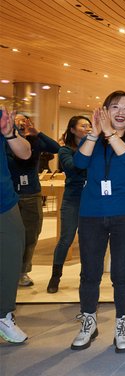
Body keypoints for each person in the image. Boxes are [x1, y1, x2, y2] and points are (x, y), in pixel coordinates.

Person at [70, 91, 125, 352]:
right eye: (115, 107)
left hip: (124, 214)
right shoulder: (95, 139)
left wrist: (110, 134)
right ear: (104, 111)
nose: (120, 112)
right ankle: (88, 322)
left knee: (121, 274)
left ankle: (122, 325)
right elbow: (79, 162)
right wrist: (94, 132)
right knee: (89, 272)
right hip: (91, 213)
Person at [5, 113, 59, 287]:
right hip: (9, 194)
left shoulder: (35, 141)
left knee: (31, 234)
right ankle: (7, 272)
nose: (21, 122)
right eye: (17, 119)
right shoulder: (5, 139)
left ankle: (23, 272)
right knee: (10, 236)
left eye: (24, 120)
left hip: (31, 193)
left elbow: (55, 148)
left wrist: (38, 133)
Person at [47, 115, 92, 293]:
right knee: (66, 238)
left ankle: (86, 279)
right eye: (83, 126)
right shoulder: (66, 150)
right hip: (73, 199)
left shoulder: (95, 148)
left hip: (91, 200)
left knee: (88, 241)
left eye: (89, 125)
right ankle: (55, 276)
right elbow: (74, 168)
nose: (87, 128)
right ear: (72, 130)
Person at [0, 106, 32, 343]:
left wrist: (10, 133)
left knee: (10, 258)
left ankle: (3, 314)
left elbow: (25, 153)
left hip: (4, 201)